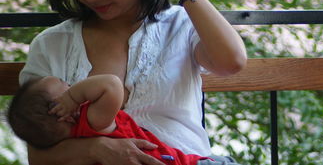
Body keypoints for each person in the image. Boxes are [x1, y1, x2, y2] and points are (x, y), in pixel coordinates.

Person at [19, 0, 247, 165]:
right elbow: (37, 156)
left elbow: (232, 61)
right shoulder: (52, 45)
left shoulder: (181, 26)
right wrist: (97, 149)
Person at [8, 75, 240, 165]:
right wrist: (73, 97)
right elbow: (111, 85)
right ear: (64, 112)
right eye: (66, 87)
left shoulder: (69, 138)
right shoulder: (93, 121)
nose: (73, 86)